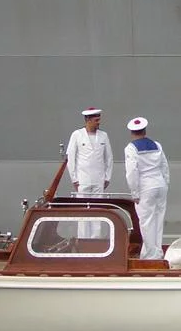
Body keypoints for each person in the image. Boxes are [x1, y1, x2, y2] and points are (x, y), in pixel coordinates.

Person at [124, 117, 170, 260]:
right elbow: (164, 166)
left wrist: (134, 192)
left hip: (145, 185)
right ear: (145, 130)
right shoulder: (156, 145)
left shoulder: (131, 148)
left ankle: (150, 255)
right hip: (160, 183)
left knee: (146, 221)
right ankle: (156, 251)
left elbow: (132, 172)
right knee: (158, 218)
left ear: (132, 132)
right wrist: (165, 183)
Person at [66, 107, 113, 238]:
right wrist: (74, 178)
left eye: (99, 119)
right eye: (96, 120)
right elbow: (71, 158)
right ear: (88, 119)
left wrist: (107, 177)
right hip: (83, 179)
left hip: (99, 180)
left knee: (97, 211)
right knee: (83, 212)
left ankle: (95, 240)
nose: (99, 122)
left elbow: (109, 157)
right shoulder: (77, 135)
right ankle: (83, 240)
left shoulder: (103, 136)